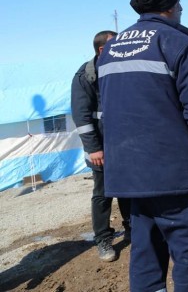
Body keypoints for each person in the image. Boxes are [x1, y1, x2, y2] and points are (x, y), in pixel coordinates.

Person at [97, 0, 188, 292]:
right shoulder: (178, 44)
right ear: (172, 7)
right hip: (177, 177)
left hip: (130, 177)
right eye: (180, 4)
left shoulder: (110, 50)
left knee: (146, 255)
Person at [71, 30, 131, 262]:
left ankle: (132, 228)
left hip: (125, 143)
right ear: (102, 50)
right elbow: (82, 117)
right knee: (103, 193)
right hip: (101, 147)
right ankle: (103, 239)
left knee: (128, 188)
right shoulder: (85, 76)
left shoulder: (123, 69)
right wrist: (94, 148)